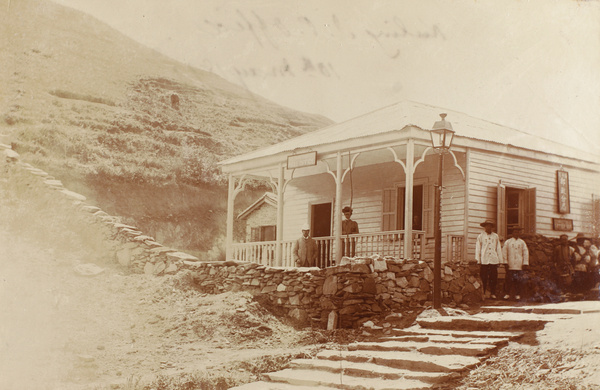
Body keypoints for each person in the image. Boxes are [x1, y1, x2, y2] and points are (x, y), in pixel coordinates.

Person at [475, 220, 503, 299]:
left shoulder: (495, 236)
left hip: (493, 260)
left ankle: (493, 293)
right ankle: (483, 293)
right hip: (484, 260)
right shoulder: (481, 236)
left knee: (493, 277)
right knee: (483, 277)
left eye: (490, 226)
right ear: (484, 227)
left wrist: (500, 260)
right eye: (487, 226)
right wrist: (478, 260)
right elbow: (478, 249)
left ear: (492, 227)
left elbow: (498, 248)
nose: (488, 227)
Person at [501, 227, 529, 300]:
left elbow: (525, 253)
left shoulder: (522, 242)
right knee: (509, 280)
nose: (516, 233)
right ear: (512, 233)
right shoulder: (508, 242)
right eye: (515, 232)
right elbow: (504, 252)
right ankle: (507, 294)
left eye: (518, 232)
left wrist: (525, 263)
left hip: (519, 264)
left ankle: (518, 294)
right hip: (510, 264)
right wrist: (505, 262)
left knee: (518, 280)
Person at [571, 233, 599, 298]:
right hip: (577, 267)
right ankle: (578, 294)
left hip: (584, 268)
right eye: (580, 240)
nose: (582, 241)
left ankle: (583, 294)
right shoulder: (574, 248)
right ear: (577, 240)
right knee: (577, 280)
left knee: (584, 280)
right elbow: (573, 258)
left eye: (583, 240)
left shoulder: (586, 248)